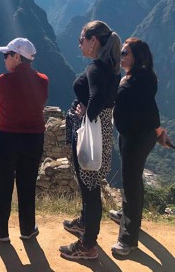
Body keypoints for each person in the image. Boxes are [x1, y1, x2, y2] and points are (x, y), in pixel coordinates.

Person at [61, 20, 121, 260]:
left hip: (91, 133)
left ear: (93, 40)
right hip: (104, 133)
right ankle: (85, 223)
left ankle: (88, 246)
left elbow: (95, 98)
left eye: (81, 40)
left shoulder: (96, 68)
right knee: (92, 184)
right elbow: (107, 99)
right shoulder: (112, 68)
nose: (79, 45)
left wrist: (86, 113)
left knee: (90, 189)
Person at [110, 38, 171, 256]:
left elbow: (150, 108)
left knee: (131, 181)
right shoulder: (131, 76)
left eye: (125, 53)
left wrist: (158, 132)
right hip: (129, 133)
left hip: (138, 137)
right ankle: (129, 215)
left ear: (136, 56)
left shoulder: (143, 77)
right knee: (132, 179)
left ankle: (128, 239)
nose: (122, 56)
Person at [0, 38, 48, 243]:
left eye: (7, 55)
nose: (4, 59)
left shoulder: (4, 80)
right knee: (27, 184)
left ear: (17, 57)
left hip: (7, 139)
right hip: (34, 139)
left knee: (3, 184)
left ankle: (0, 229)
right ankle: (27, 229)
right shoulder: (43, 80)